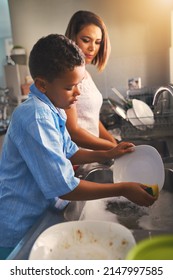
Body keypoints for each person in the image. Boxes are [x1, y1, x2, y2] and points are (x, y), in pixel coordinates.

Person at [0, 34, 156, 259]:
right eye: (70, 86)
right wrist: (123, 188)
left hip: (38, 217)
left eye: (78, 84)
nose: (78, 93)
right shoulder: (36, 117)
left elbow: (69, 152)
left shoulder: (52, 109)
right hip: (19, 228)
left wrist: (108, 152)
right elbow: (65, 187)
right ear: (43, 84)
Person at [65, 10, 118, 150]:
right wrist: (111, 148)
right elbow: (73, 131)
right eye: (86, 40)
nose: (92, 48)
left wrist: (113, 143)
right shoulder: (67, 76)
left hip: (93, 158)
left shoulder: (86, 74)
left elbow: (92, 119)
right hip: (79, 159)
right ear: (73, 39)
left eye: (98, 42)